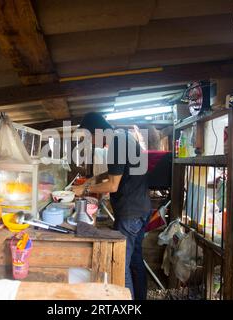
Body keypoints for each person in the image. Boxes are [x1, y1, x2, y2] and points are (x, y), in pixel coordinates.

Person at [72, 112, 151, 300]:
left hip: (130, 214)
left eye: (90, 137)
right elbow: (116, 171)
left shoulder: (116, 143)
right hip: (141, 209)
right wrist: (95, 178)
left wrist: (84, 189)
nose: (90, 142)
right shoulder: (123, 137)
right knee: (135, 261)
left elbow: (112, 186)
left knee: (120, 263)